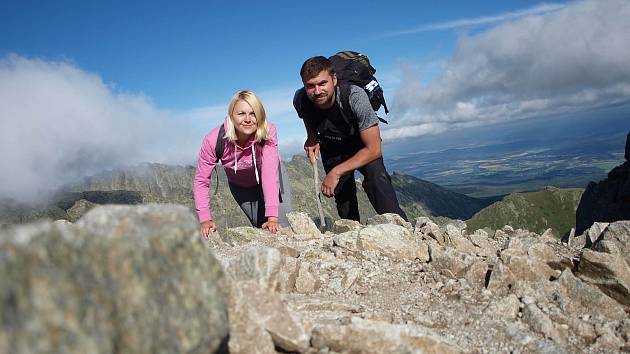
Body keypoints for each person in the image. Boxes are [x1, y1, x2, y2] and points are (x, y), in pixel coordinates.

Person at [293, 56, 408, 222]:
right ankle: (350, 238)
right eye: (310, 86)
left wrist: (336, 172)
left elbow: (374, 149)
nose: (317, 91)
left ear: (334, 79)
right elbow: (306, 116)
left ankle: (402, 230)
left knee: (377, 182)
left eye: (322, 83)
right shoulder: (301, 99)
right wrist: (311, 138)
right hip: (332, 146)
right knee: (345, 207)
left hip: (362, 146)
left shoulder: (354, 96)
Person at [194, 90, 284, 238]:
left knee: (278, 226)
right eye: (241, 113)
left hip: (271, 178)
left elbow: (269, 173)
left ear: (260, 115)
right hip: (240, 187)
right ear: (231, 116)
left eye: (253, 113)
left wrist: (273, 218)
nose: (248, 119)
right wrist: (205, 219)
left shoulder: (267, 131)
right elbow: (201, 180)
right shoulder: (214, 140)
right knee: (259, 225)